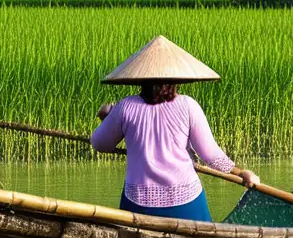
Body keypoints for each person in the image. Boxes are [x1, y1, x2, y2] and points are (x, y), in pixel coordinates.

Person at [90, 35, 260, 222]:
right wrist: (241, 172)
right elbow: (210, 155)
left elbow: (99, 144)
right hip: (185, 201)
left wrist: (105, 116)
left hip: (139, 202)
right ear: (175, 79)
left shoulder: (125, 106)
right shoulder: (188, 105)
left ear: (141, 80)